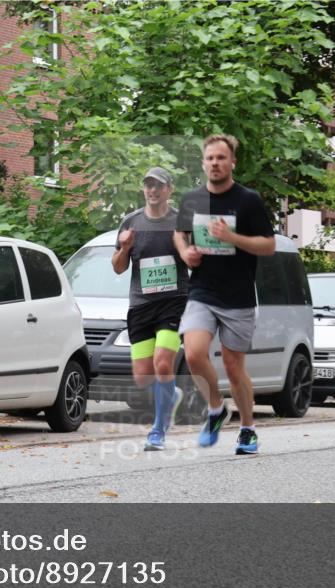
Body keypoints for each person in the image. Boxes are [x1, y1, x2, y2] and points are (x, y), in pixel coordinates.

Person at [174, 135, 275, 454]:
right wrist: (185, 253)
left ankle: (247, 429)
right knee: (193, 353)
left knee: (233, 367)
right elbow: (179, 233)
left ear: (232, 162)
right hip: (202, 290)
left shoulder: (248, 201)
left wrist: (232, 237)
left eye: (221, 158)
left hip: (238, 295)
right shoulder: (192, 199)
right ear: (203, 163)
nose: (215, 163)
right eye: (210, 158)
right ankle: (216, 408)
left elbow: (268, 245)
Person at [112, 167, 188, 451]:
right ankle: (171, 395)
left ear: (169, 189)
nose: (153, 190)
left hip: (174, 302)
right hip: (142, 304)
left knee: (163, 363)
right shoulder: (131, 222)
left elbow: (195, 260)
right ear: (143, 189)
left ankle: (158, 431)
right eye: (148, 185)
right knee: (143, 375)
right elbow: (118, 268)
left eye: (159, 185)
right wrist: (124, 249)